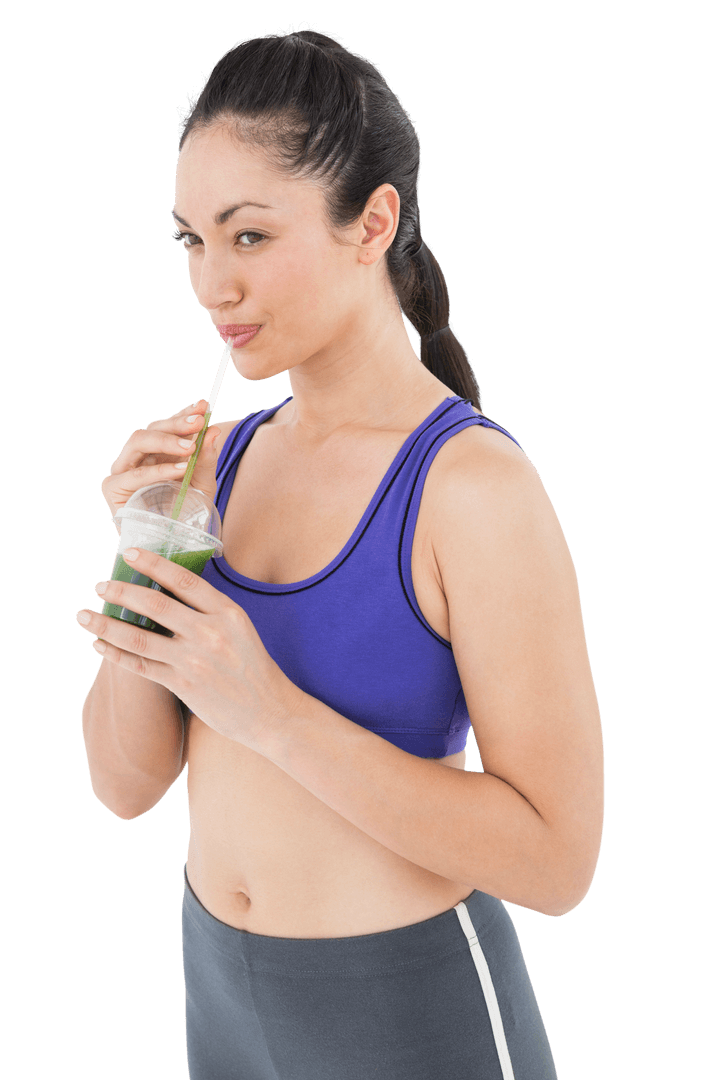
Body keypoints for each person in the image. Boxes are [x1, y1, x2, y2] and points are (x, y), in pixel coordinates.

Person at [78, 26, 604, 1080]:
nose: (211, 285)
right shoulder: (211, 467)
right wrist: (144, 558)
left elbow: (558, 862)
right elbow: (123, 786)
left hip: (412, 1013)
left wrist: (268, 712)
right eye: (190, 240)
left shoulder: (471, 488)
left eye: (249, 236)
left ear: (373, 223)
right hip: (219, 995)